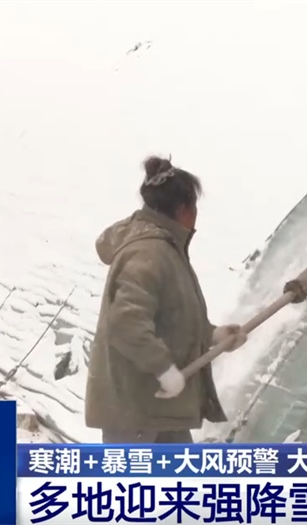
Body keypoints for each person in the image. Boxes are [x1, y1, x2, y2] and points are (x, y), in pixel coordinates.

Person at [85, 155, 248, 444]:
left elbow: (171, 319)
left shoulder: (166, 249)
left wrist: (213, 335)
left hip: (158, 409)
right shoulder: (150, 254)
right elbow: (126, 323)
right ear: (183, 209)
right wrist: (163, 368)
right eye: (195, 207)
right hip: (137, 413)